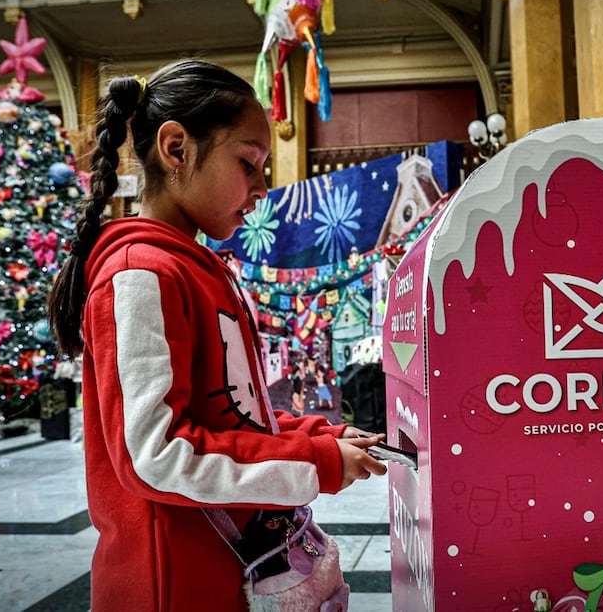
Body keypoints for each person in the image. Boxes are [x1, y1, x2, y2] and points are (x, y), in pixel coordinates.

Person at [46, 58, 387, 612]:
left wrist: (323, 435)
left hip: (228, 571)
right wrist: (315, 463)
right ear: (177, 149)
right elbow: (156, 455)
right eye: (248, 163)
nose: (260, 187)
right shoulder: (141, 274)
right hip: (174, 585)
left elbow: (229, 417)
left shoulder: (196, 267)